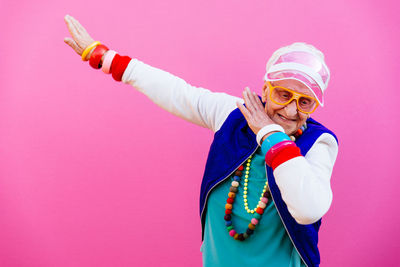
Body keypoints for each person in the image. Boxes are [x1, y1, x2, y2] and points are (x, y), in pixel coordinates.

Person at [63, 14, 338, 267]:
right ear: (265, 88)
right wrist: (104, 57)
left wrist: (269, 134)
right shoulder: (234, 114)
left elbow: (307, 209)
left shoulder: (319, 142)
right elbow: (180, 93)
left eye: (305, 102)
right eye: (282, 95)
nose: (291, 111)